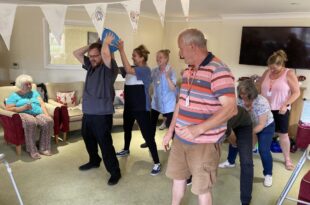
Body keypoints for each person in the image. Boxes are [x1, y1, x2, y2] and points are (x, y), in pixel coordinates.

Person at [163, 28, 237, 205]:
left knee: (202, 190)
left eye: (181, 49)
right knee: (177, 180)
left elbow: (231, 109)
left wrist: (198, 129)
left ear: (192, 46)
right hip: (180, 140)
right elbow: (180, 104)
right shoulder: (189, 70)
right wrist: (170, 132)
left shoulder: (219, 70)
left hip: (204, 145)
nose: (180, 53)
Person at [73, 33, 121, 186]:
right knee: (88, 140)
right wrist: (93, 45)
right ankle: (94, 160)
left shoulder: (109, 68)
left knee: (105, 145)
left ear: (102, 55)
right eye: (91, 56)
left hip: (102, 114)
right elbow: (76, 53)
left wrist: (105, 44)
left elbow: (107, 54)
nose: (92, 58)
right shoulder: (90, 66)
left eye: (96, 55)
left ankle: (115, 172)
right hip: (88, 112)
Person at [116, 41, 161, 176]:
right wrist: (110, 49)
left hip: (141, 107)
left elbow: (129, 69)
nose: (132, 57)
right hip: (129, 106)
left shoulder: (145, 70)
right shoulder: (133, 68)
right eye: (132, 56)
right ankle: (126, 149)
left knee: (147, 135)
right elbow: (118, 67)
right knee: (127, 128)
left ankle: (157, 163)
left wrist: (121, 50)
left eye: (134, 55)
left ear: (142, 58)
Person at [259, 50, 300, 171]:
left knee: (283, 135)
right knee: (261, 131)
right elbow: (260, 87)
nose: (272, 70)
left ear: (281, 64)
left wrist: (286, 104)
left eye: (275, 68)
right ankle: (257, 152)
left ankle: (287, 159)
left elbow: (296, 92)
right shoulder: (267, 72)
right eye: (270, 68)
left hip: (281, 109)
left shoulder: (289, 73)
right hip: (265, 109)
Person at [233, 79, 275, 187]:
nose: (242, 96)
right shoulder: (238, 100)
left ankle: (268, 174)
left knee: (263, 150)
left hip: (266, 126)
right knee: (244, 147)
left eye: (245, 94)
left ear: (252, 93)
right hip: (249, 124)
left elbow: (261, 125)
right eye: (241, 93)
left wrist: (248, 133)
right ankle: (231, 161)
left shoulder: (261, 101)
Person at [5, 74, 53, 159]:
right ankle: (32, 150)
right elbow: (8, 108)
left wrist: (46, 114)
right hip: (24, 113)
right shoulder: (14, 95)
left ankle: (44, 148)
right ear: (20, 86)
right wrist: (22, 107)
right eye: (26, 84)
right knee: (31, 123)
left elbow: (42, 104)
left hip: (38, 112)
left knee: (48, 121)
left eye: (30, 83)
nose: (29, 86)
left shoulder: (34, 92)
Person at [140, 49, 177, 148]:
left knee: (171, 126)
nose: (158, 59)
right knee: (151, 125)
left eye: (160, 57)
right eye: (157, 57)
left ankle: (176, 146)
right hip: (156, 104)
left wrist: (168, 77)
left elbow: (173, 88)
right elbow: (147, 81)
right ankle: (149, 142)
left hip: (169, 105)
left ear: (166, 59)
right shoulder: (154, 71)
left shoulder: (171, 70)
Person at [217, 106, 253, 205]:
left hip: (243, 124)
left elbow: (232, 139)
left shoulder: (221, 120)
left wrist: (237, 144)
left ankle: (245, 201)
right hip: (228, 122)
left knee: (246, 162)